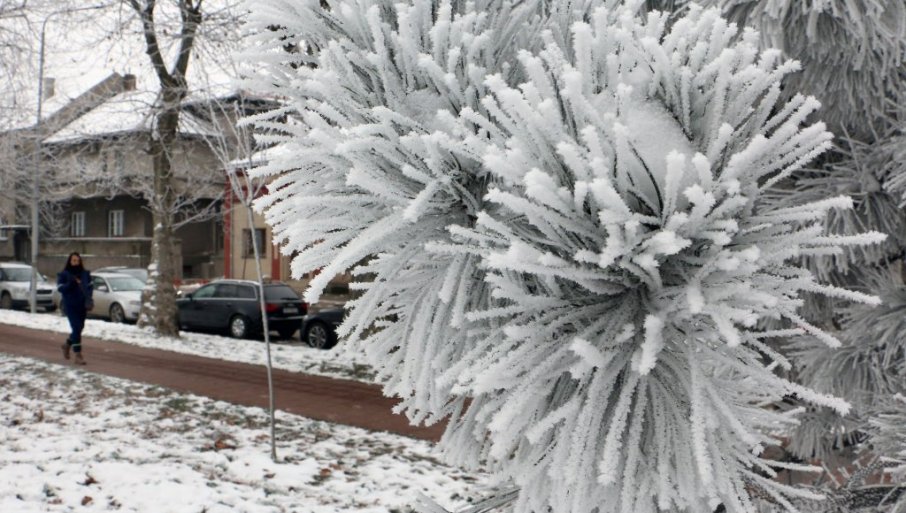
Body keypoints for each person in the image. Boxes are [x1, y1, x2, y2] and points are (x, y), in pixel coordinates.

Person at [57, 252, 93, 365]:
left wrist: (88, 297)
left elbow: (90, 286)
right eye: (73, 260)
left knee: (80, 327)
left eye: (77, 260)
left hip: (82, 305)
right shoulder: (64, 274)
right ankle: (78, 355)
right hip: (70, 305)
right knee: (76, 327)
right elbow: (60, 288)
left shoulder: (85, 274)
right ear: (69, 261)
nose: (75, 263)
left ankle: (67, 344)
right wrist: (71, 283)